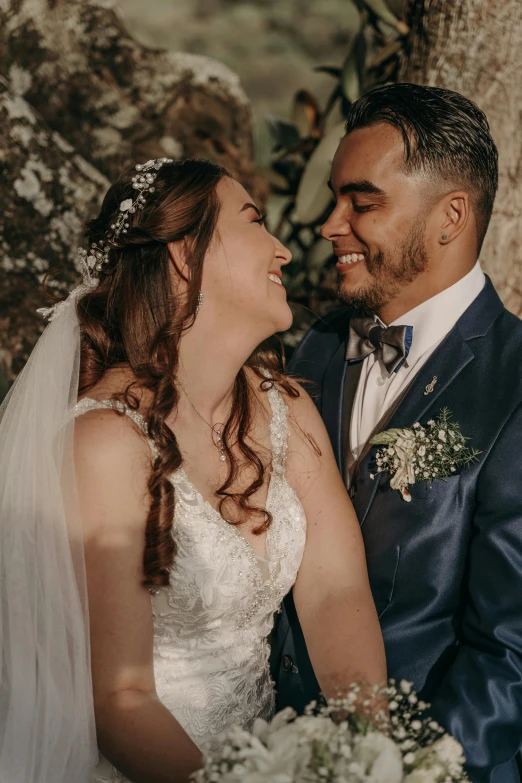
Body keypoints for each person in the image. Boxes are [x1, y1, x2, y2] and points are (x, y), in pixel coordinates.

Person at [0, 157, 386, 783]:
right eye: (255, 222)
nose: (284, 250)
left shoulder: (285, 404)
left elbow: (336, 592)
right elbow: (118, 701)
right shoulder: (105, 443)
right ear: (184, 254)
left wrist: (366, 754)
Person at [271, 83, 522, 783]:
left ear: (451, 216)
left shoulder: (516, 384)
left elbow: (511, 647)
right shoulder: (313, 350)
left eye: (362, 201)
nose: (328, 224)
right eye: (332, 198)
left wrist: (410, 770)